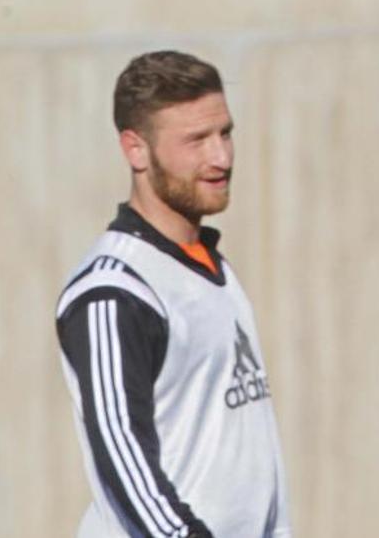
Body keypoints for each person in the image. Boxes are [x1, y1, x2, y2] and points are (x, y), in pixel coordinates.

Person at [54, 50, 291, 538]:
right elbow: (122, 458)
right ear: (135, 149)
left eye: (225, 133)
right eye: (196, 140)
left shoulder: (209, 264)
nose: (221, 157)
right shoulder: (113, 290)